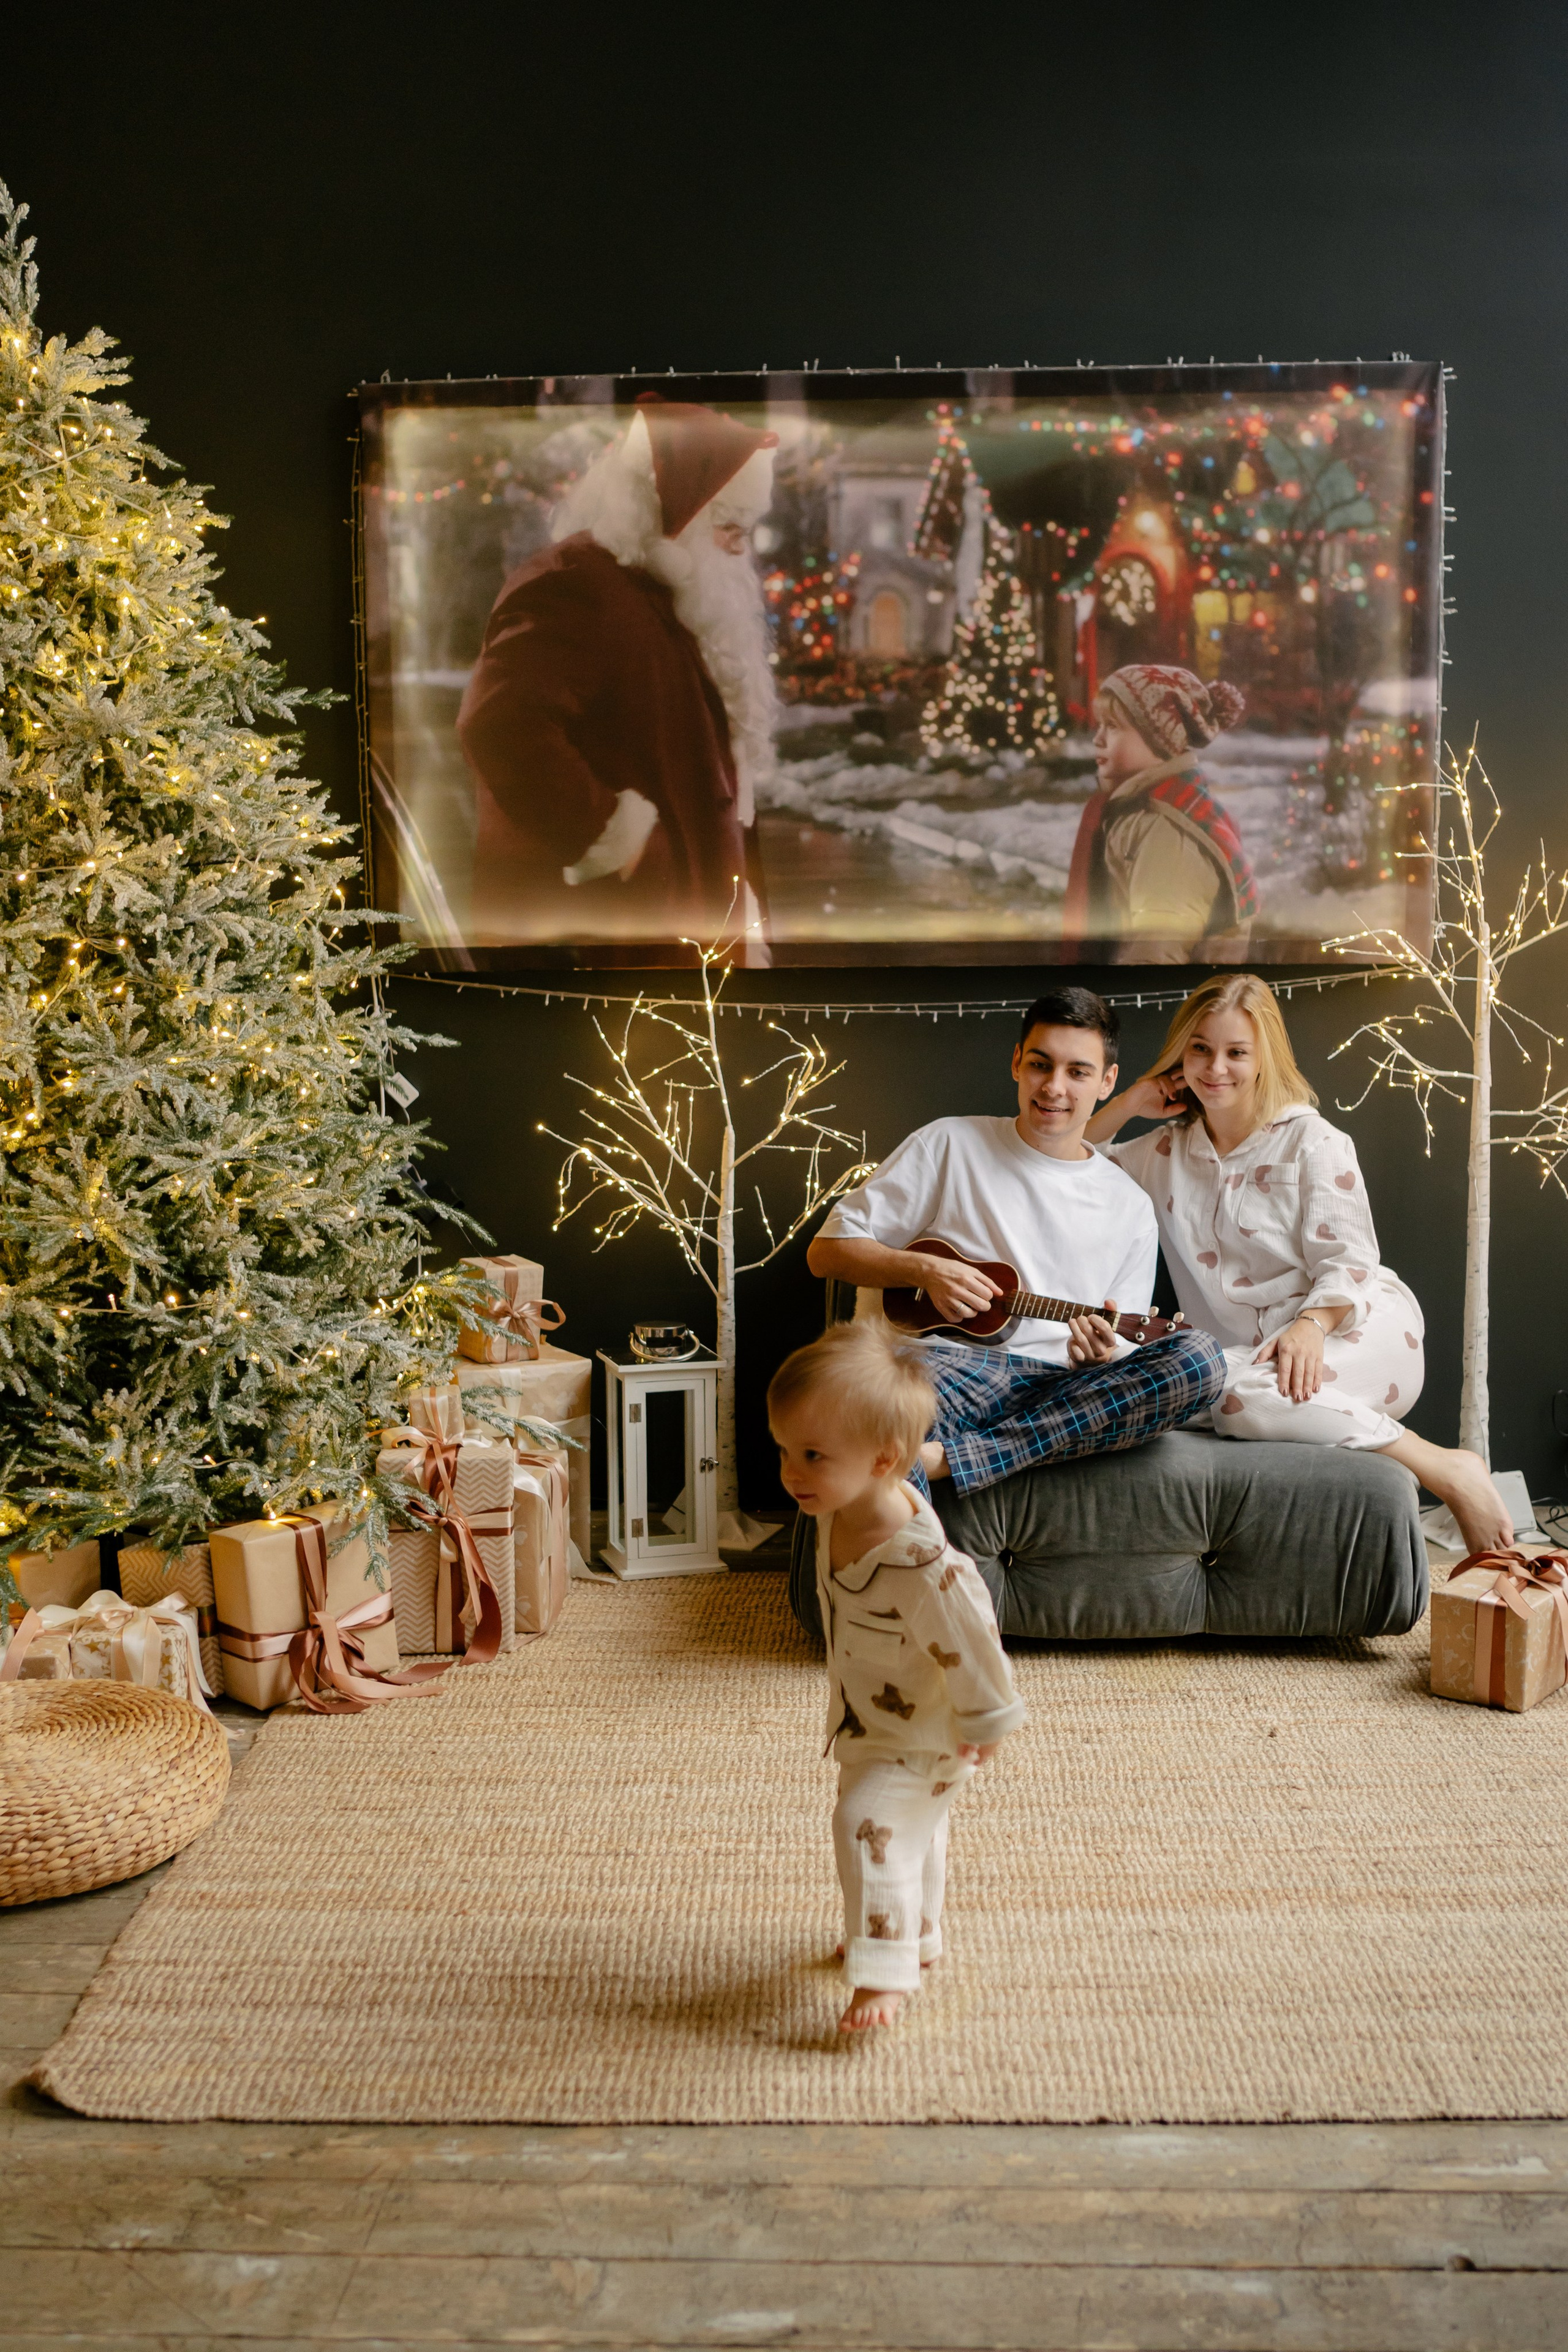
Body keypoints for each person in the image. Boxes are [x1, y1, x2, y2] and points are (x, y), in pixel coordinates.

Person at [1085, 971, 1512, 1553]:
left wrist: (1310, 1327)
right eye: (1201, 1050)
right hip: (1253, 1363)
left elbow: (1352, 1260)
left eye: (1237, 1052)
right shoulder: (1164, 1152)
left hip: (1357, 1334)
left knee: (1236, 1401)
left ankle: (1444, 1467)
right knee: (1212, 1393)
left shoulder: (1314, 1141)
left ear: (1264, 1057)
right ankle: (1428, 1457)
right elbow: (1074, 1163)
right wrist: (1134, 1099)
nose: (1215, 1069)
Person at [805, 987, 1226, 1496]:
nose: (1053, 1088)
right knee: (888, 1400)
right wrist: (924, 1272)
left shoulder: (1131, 1206)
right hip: (954, 1365)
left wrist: (1094, 1356)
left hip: (1066, 1386)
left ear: (1106, 1082)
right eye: (1040, 1065)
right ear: (1016, 1064)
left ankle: (959, 1459)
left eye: (1078, 1072)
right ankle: (997, 1459)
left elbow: (1116, 1350)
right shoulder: (948, 1143)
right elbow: (825, 1252)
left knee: (1200, 1358)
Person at [768, 1320, 1026, 2034]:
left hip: (926, 1733)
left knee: (868, 1827)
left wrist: (987, 1721)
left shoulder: (924, 1566)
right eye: (785, 1449)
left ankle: (884, 1974)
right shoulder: (837, 1506)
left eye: (813, 1455)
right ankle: (919, 1935)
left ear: (885, 1460)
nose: (791, 1473)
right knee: (917, 1831)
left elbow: (973, 1642)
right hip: (869, 1721)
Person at [456, 393, 780, 957]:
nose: (741, 546)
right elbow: (501, 723)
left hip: (678, 930)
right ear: (671, 512)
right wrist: (609, 831)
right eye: (728, 524)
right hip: (613, 936)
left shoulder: (670, 595)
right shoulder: (576, 585)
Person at [1060, 663, 1257, 962]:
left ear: (1159, 739)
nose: (1097, 739)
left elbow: (1154, 956)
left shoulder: (1167, 831)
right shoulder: (1136, 810)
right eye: (1100, 725)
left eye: (1113, 727)